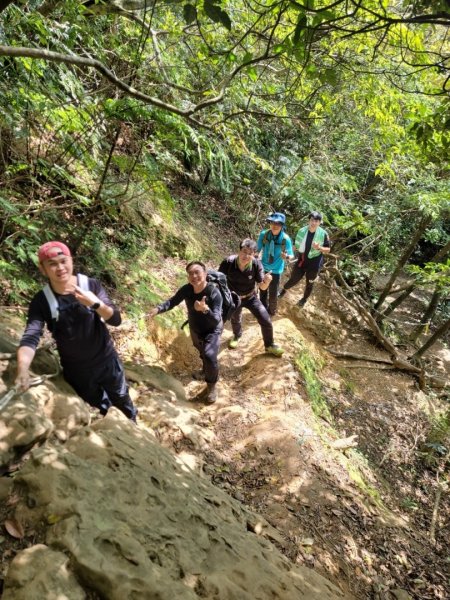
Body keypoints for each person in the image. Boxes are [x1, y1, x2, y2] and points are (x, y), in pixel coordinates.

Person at [16, 241, 138, 421]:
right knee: (99, 404)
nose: (60, 267)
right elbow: (31, 336)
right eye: (52, 264)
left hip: (106, 360)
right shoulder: (42, 301)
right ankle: (112, 423)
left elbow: (116, 320)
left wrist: (95, 304)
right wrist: (22, 370)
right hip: (77, 371)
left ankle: (133, 425)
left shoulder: (90, 285)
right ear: (43, 269)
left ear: (71, 261)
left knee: (121, 399)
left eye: (63, 261)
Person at [148, 261, 223, 404]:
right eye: (190, 273)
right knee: (201, 351)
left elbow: (216, 319)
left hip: (213, 329)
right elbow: (173, 301)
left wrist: (205, 310)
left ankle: (212, 386)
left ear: (205, 274)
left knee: (210, 355)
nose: (194, 276)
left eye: (197, 272)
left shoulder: (214, 292)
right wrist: (158, 309)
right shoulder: (187, 289)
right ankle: (204, 369)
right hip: (195, 329)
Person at [218, 239, 284, 357]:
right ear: (239, 251)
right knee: (235, 318)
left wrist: (267, 281)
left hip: (250, 296)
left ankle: (269, 345)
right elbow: (219, 280)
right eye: (244, 251)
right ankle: (237, 335)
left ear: (254, 254)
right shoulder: (228, 262)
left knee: (266, 319)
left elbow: (262, 287)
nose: (246, 255)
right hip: (233, 297)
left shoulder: (256, 264)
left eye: (250, 253)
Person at [278, 211, 331, 306]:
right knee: (294, 278)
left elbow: (328, 249)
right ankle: (283, 291)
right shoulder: (302, 231)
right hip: (302, 261)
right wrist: (288, 252)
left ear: (319, 222)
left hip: (315, 263)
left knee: (310, 283)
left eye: (316, 221)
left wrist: (319, 247)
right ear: (309, 220)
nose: (313, 223)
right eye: (312, 220)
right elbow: (296, 246)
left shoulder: (323, 234)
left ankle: (304, 300)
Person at [257, 212, 294, 315]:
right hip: (263, 267)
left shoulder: (285, 239)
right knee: (262, 290)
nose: (275, 225)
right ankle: (262, 310)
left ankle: (271, 311)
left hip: (276, 270)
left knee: (273, 293)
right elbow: (257, 249)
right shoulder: (264, 234)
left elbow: (291, 255)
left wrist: (286, 257)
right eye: (273, 222)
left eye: (278, 223)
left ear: (282, 225)